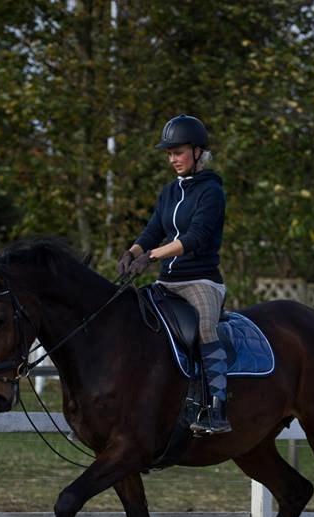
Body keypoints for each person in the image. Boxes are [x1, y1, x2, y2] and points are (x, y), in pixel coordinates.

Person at [117, 114, 231, 435]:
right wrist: (133, 253)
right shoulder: (169, 191)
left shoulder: (212, 193)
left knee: (207, 329)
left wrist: (152, 256)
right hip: (167, 282)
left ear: (197, 152)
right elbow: (153, 230)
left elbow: (194, 238)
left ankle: (216, 406)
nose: (172, 159)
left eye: (178, 152)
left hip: (201, 281)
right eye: (169, 154)